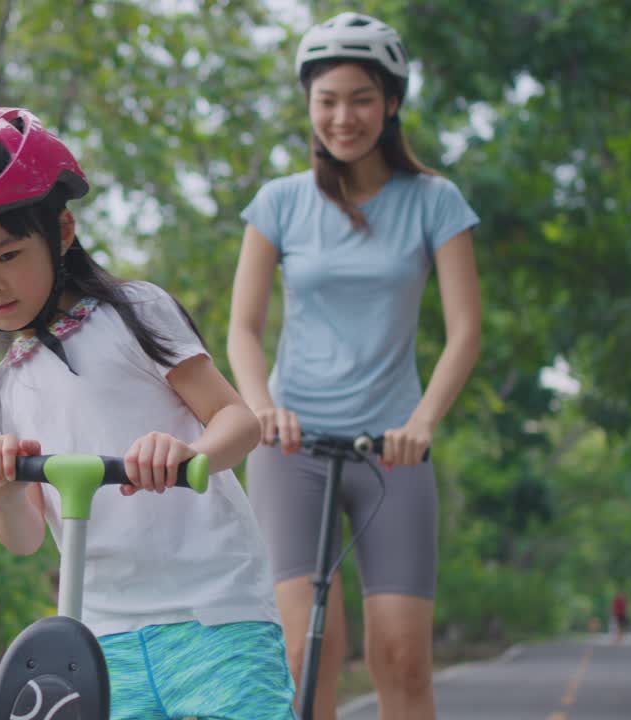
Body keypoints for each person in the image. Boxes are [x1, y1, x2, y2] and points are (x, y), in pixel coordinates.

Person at [0, 107, 295, 719]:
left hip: (215, 614)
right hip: (99, 635)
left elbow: (239, 422)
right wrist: (2, 493)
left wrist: (192, 455)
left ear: (61, 232)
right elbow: (25, 538)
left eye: (8, 255)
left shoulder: (135, 313)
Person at [226, 12, 482, 720]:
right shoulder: (279, 203)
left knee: (401, 657)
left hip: (393, 451)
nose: (344, 116)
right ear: (310, 106)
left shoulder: (436, 202)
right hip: (291, 448)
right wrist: (261, 410)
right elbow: (242, 330)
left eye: (362, 98)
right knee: (305, 656)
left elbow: (465, 332)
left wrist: (422, 422)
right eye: (328, 99)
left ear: (391, 103)